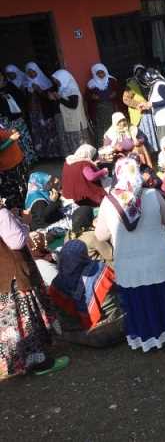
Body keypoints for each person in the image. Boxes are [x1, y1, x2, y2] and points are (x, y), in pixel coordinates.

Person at [95, 157, 165, 352]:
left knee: (142, 303)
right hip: (157, 259)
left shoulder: (109, 202)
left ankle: (150, 340)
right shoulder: (152, 195)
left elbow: (101, 235)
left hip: (129, 265)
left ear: (117, 175)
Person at [0, 205, 69, 377]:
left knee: (10, 323)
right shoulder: (1, 213)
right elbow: (16, 242)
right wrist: (24, 224)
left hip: (3, 276)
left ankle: (15, 362)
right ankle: (39, 362)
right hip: (15, 274)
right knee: (26, 320)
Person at [47, 239, 125, 348]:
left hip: (86, 331)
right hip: (116, 327)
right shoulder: (100, 270)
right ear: (84, 254)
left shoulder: (57, 283)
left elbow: (59, 315)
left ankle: (72, 336)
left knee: (67, 329)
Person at [24, 61, 62, 158]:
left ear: (37, 71)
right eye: (29, 72)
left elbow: (50, 98)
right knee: (38, 133)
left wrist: (39, 90)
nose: (31, 74)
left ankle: (55, 154)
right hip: (34, 114)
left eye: (33, 71)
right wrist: (28, 92)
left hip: (45, 112)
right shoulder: (26, 85)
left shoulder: (46, 82)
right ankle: (43, 156)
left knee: (50, 132)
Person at [51, 69, 92, 154]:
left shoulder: (72, 90)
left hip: (75, 122)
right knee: (73, 145)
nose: (56, 83)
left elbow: (73, 105)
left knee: (79, 145)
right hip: (70, 121)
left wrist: (59, 98)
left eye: (57, 80)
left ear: (63, 78)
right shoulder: (63, 90)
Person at [0, 71, 35, 167]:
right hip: (5, 121)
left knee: (24, 139)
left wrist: (8, 97)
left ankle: (30, 160)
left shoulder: (10, 86)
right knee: (15, 142)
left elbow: (20, 98)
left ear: (3, 76)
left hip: (17, 118)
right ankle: (22, 163)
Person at [122, 64, 159, 152]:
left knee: (154, 132)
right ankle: (148, 153)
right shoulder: (132, 84)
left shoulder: (148, 81)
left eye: (142, 71)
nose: (140, 74)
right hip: (140, 115)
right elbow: (125, 99)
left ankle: (156, 151)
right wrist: (138, 104)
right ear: (134, 73)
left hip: (150, 112)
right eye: (137, 72)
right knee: (145, 134)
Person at [86, 63, 123, 147]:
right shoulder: (91, 84)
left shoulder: (112, 81)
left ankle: (118, 146)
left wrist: (115, 94)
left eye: (102, 72)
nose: (100, 75)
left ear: (105, 71)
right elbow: (87, 97)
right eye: (98, 73)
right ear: (94, 74)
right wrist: (92, 97)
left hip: (112, 109)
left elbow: (120, 92)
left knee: (114, 126)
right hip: (99, 113)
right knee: (101, 130)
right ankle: (103, 147)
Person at [0, 126, 26, 209]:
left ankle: (28, 209)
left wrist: (12, 132)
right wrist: (10, 140)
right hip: (8, 168)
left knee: (24, 187)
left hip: (18, 161)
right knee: (15, 195)